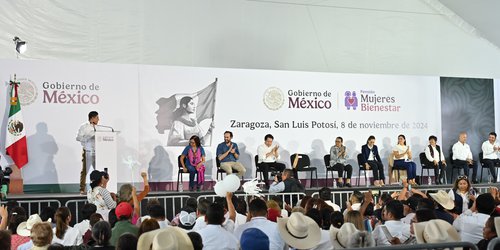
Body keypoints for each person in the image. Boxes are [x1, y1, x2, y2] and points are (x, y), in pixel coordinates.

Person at [76, 111, 99, 194]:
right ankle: (82, 189)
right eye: (97, 118)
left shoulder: (99, 127)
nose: (98, 119)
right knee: (85, 170)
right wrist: (88, 137)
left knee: (98, 171)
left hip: (98, 152)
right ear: (92, 118)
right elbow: (78, 138)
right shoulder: (84, 127)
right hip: (88, 151)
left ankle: (97, 188)